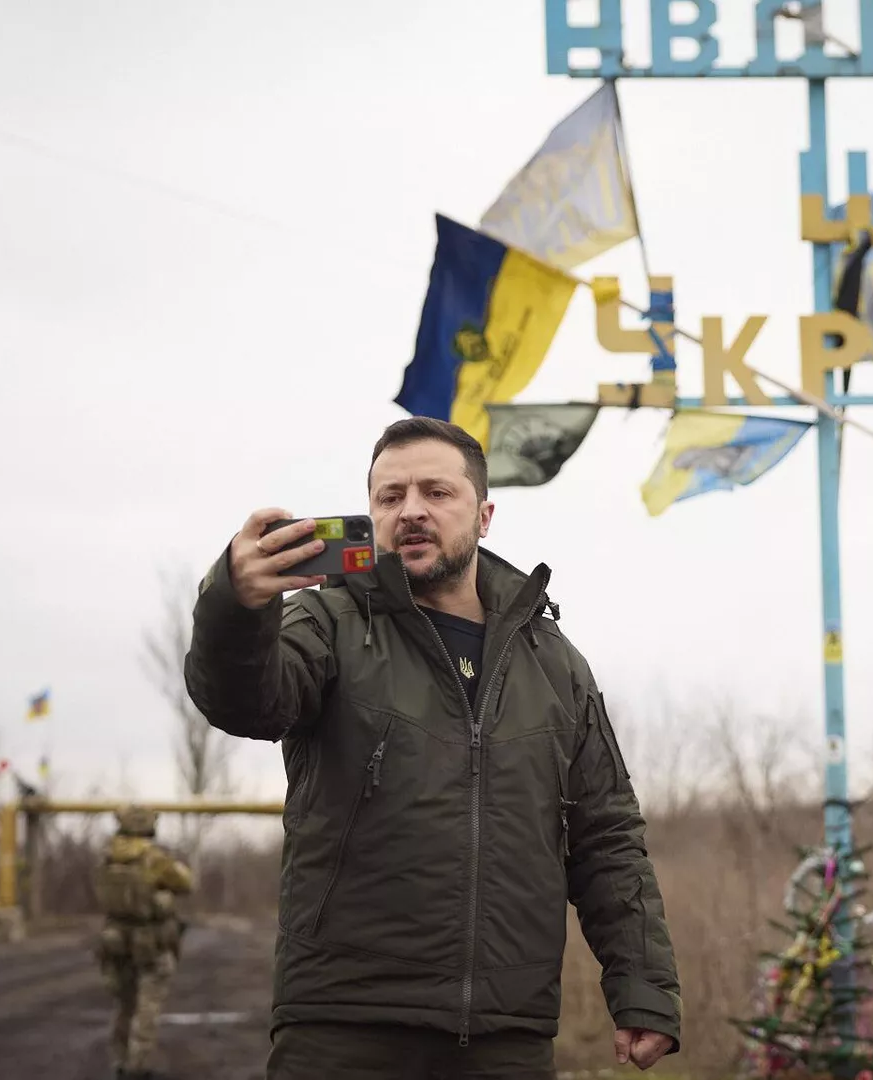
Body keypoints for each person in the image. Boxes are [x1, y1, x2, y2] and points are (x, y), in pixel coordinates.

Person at [184, 416, 680, 1079]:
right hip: (344, 1030)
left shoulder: (555, 665)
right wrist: (236, 605)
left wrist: (642, 988)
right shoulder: (326, 623)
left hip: (507, 1037)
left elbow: (607, 836)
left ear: (483, 515)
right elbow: (245, 702)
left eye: (436, 493)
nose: (411, 511)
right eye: (390, 497)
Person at [91, 804, 195, 1080]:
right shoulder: (153, 858)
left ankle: (120, 1061)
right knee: (147, 1006)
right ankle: (137, 1067)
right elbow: (186, 883)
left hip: (114, 941)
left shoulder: (107, 856)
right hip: (151, 942)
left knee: (123, 1005)